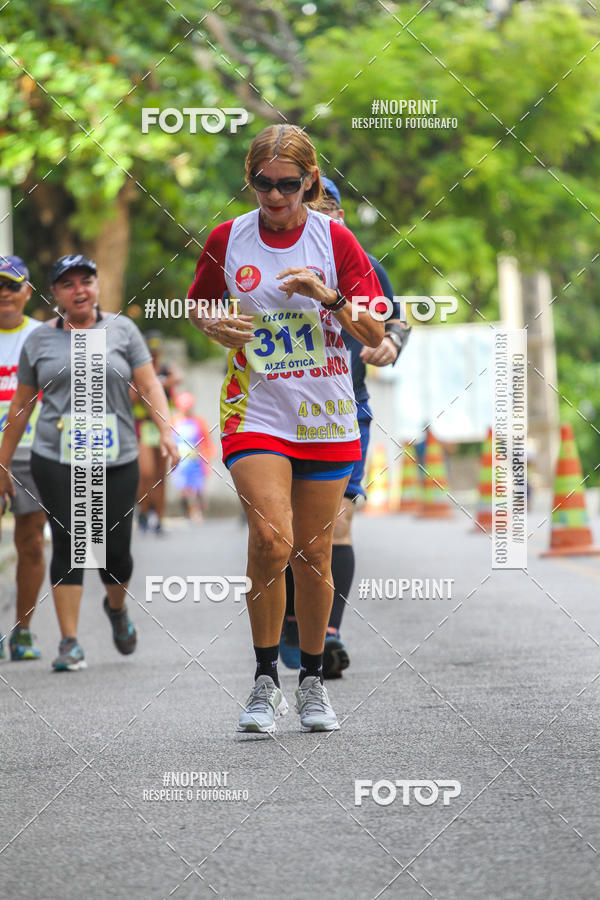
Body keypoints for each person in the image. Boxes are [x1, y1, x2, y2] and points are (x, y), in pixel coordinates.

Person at [188, 123, 384, 733]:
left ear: (310, 182)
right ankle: (264, 679)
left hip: (325, 411)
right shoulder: (229, 238)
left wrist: (327, 296)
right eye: (261, 184)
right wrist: (212, 322)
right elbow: (198, 301)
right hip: (257, 409)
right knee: (271, 538)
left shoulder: (336, 239)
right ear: (249, 181)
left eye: (288, 185)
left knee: (313, 549)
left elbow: (375, 332)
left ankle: (313, 681)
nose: (274, 197)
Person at [0, 254, 179, 671]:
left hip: (117, 455)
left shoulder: (122, 330)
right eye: (68, 283)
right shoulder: (40, 340)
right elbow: (21, 406)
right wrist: (3, 463)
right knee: (68, 540)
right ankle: (69, 641)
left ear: (97, 286)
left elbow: (149, 383)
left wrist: (167, 431)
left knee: (116, 552)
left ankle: (116, 608)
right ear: (55, 294)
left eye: (87, 280)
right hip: (54, 454)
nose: (79, 289)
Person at [280, 177, 411, 678]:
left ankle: (327, 634)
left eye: (332, 211)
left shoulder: (361, 264)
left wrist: (392, 344)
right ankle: (293, 617)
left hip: (344, 409)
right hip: (278, 412)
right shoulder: (267, 260)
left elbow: (396, 320)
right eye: (316, 210)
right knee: (286, 530)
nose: (326, 221)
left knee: (336, 522)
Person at [0, 255, 45, 661]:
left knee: (29, 542)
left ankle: (23, 631)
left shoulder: (43, 336)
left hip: (34, 452)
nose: (4, 293)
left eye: (12, 285)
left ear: (28, 291)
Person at [131, 331, 181, 534]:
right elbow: (132, 396)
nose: (154, 355)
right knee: (146, 474)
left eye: (156, 351)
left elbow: (178, 376)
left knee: (161, 476)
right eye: (150, 351)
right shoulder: (138, 371)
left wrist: (161, 384)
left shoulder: (167, 369)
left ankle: (159, 519)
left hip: (162, 426)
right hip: (143, 426)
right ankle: (143, 511)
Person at [170, 391, 215, 522]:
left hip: (197, 461)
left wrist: (206, 457)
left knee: (198, 488)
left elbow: (206, 440)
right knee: (185, 489)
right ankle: (192, 511)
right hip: (182, 462)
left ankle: (198, 509)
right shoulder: (175, 421)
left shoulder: (199, 422)